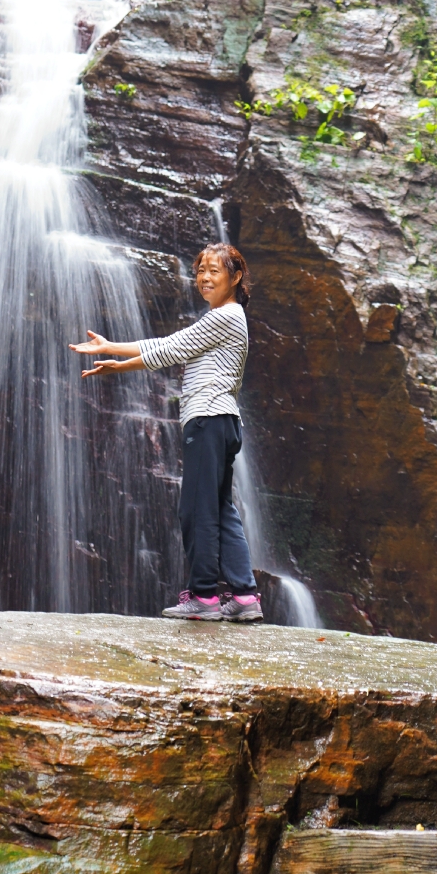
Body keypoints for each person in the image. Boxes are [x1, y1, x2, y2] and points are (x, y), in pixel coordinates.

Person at [69, 243, 263, 622]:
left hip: (208, 419)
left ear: (235, 277)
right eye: (200, 271)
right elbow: (170, 344)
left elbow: (171, 350)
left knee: (197, 509)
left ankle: (205, 597)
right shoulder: (226, 318)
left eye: (214, 271)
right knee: (221, 508)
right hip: (222, 421)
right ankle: (243, 596)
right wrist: (111, 346)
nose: (204, 278)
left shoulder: (225, 316)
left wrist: (117, 366)